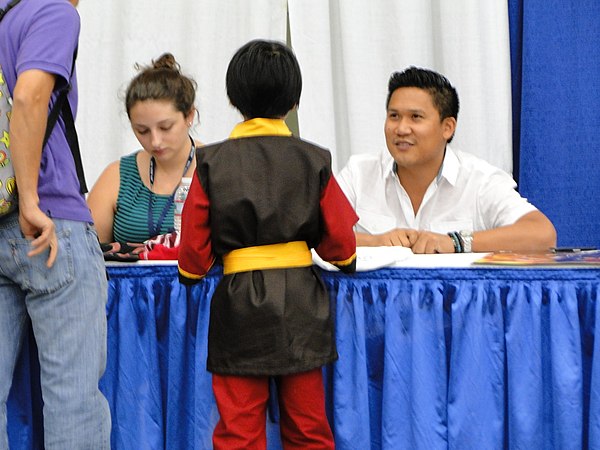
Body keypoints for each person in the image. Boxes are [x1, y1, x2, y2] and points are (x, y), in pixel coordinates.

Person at [178, 39, 358, 449]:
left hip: (239, 306)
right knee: (308, 427)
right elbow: (342, 247)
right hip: (301, 306)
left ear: (232, 98)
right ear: (294, 101)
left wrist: (194, 271)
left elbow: (192, 258)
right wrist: (340, 259)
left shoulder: (211, 162)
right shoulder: (315, 158)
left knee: (239, 429)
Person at [0, 0, 111, 448]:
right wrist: (30, 199)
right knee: (73, 402)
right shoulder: (54, 12)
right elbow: (29, 96)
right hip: (49, 221)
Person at [337, 66, 557, 254]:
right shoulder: (358, 174)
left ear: (447, 127)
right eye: (394, 116)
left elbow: (542, 234)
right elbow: (316, 237)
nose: (401, 128)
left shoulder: (479, 181)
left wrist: (456, 242)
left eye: (416, 117)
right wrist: (376, 242)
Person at [87, 52, 199, 245]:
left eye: (165, 128)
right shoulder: (116, 176)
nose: (155, 141)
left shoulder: (216, 169)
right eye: (142, 130)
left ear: (189, 116)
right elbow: (89, 254)